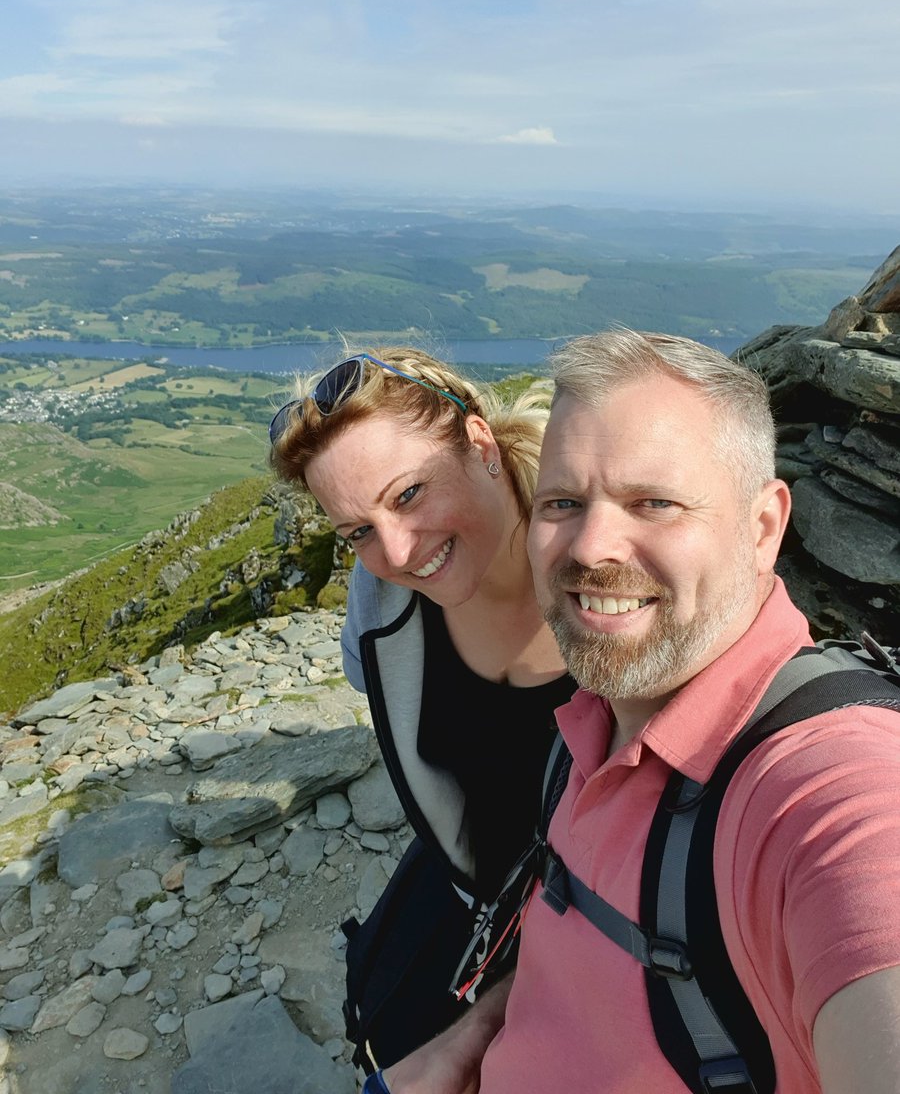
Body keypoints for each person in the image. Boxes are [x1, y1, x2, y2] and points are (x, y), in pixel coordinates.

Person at [381, 329, 900, 1094]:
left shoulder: (828, 790)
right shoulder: (589, 722)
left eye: (653, 503)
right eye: (563, 502)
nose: (592, 546)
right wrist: (476, 1036)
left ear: (763, 528)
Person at [268, 347, 575, 1068]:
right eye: (358, 532)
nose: (398, 552)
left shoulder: (611, 583)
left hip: (608, 913)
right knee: (385, 1029)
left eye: (409, 494)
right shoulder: (381, 610)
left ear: (479, 446)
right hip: (471, 881)